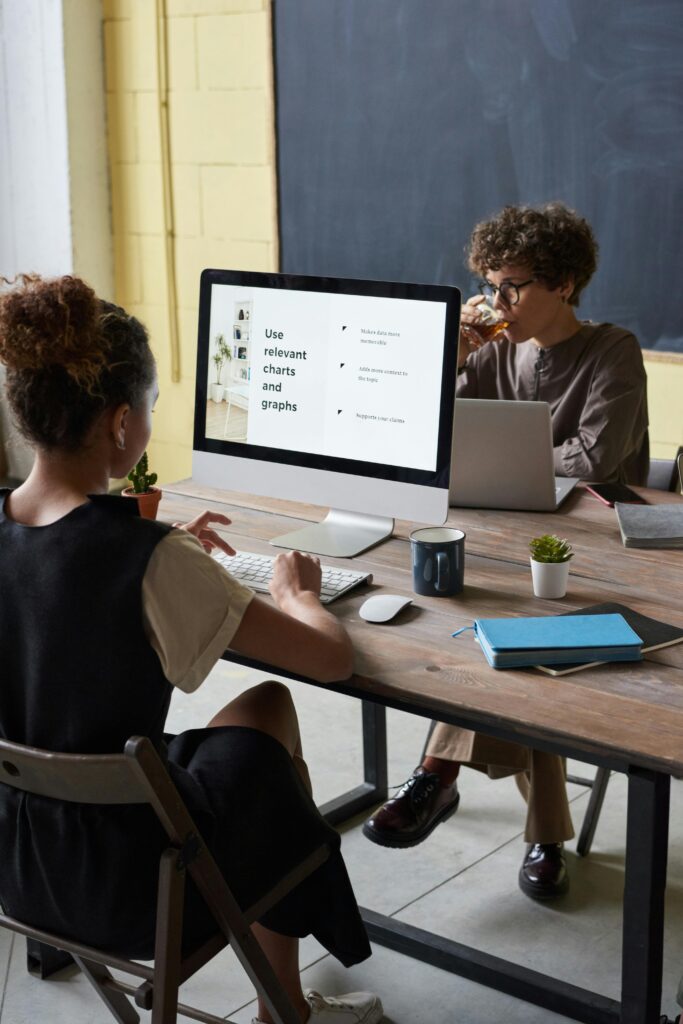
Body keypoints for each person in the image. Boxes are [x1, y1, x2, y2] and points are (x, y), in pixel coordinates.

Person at [0, 274, 382, 1024]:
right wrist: (297, 596)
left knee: (218, 748)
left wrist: (159, 548)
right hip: (136, 888)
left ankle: (288, 1009)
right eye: (148, 409)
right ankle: (285, 1011)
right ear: (118, 425)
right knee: (269, 710)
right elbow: (332, 660)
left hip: (18, 865)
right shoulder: (148, 557)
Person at [362, 202, 649, 901]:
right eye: (491, 285)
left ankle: (437, 774)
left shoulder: (611, 349)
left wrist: (508, 459)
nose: (497, 302)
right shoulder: (490, 347)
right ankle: (542, 835)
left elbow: (594, 460)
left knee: (514, 639)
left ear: (565, 284)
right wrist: (445, 365)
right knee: (504, 640)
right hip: (504, 536)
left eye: (513, 286)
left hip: (597, 552)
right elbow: (427, 439)